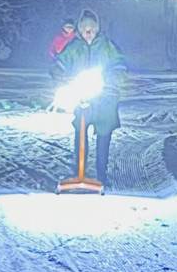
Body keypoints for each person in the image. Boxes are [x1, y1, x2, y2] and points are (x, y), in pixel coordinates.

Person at [52, 10, 127, 183]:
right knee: (81, 130)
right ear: (80, 30)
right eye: (85, 28)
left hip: (105, 97)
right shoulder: (74, 47)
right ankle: (79, 170)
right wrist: (58, 73)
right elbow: (59, 63)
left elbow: (120, 64)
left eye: (92, 29)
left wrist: (114, 77)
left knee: (104, 132)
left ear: (97, 29)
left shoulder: (107, 46)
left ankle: (102, 173)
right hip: (82, 95)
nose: (88, 32)